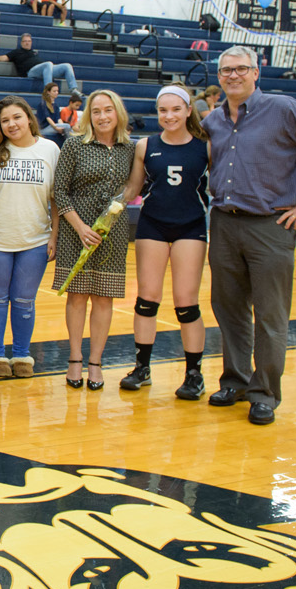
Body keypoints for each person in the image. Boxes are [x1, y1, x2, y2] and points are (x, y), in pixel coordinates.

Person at [203, 45, 296, 425]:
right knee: (229, 309)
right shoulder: (212, 121)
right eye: (225, 71)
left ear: (256, 72)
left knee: (270, 315)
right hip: (223, 222)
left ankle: (265, 392)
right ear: (218, 77)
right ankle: (234, 381)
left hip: (271, 226)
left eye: (240, 69)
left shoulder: (283, 109)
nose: (233, 76)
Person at [116, 87, 210, 401]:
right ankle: (142, 368)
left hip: (190, 226)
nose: (168, 116)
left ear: (187, 111)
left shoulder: (205, 148)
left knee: (186, 302)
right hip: (152, 224)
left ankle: (193, 374)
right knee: (147, 299)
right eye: (163, 111)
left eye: (175, 110)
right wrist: (103, 210)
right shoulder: (146, 145)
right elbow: (132, 188)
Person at [53, 89, 134, 392]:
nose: (102, 116)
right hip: (78, 229)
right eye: (96, 111)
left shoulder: (130, 148)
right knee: (77, 296)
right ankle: (75, 358)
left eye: (108, 110)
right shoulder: (74, 145)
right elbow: (59, 191)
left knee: (104, 297)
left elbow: (134, 186)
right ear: (89, 115)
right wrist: (81, 226)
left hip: (113, 230)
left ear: (118, 113)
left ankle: (96, 362)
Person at [0, 96, 59, 380]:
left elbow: (57, 197)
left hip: (35, 239)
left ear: (28, 118)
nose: (11, 124)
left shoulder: (50, 149)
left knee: (25, 300)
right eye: (5, 120)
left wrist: (55, 236)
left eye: (16, 117)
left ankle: (23, 354)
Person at [0, 33, 79, 93]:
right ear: (21, 43)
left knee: (67, 66)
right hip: (31, 72)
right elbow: (5, 57)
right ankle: (48, 91)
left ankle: (73, 89)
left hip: (44, 69)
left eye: (29, 41)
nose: (27, 43)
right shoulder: (17, 52)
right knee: (48, 64)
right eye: (25, 41)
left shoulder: (33, 52)